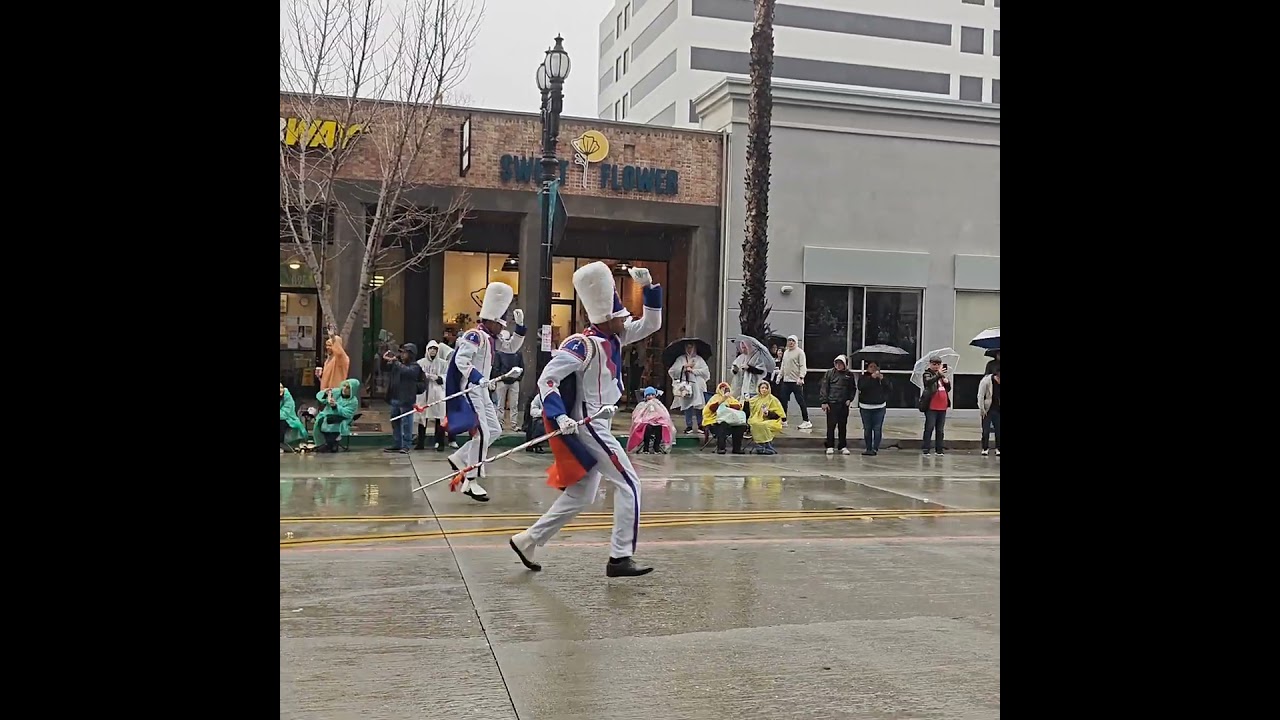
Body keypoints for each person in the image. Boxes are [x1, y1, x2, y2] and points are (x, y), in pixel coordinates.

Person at [509, 261, 662, 578]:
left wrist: (649, 289)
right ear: (608, 318)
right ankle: (620, 558)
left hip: (598, 421)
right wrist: (559, 414)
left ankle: (528, 540)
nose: (626, 319)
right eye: (621, 315)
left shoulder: (616, 338)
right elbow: (547, 380)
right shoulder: (582, 344)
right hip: (587, 422)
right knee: (630, 484)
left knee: (583, 493)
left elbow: (652, 324)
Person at [445, 282, 526, 502]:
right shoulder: (474, 336)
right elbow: (462, 360)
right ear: (490, 320)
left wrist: (520, 328)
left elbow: (511, 348)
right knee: (482, 434)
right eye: (500, 323)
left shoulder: (492, 338)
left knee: (495, 429)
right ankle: (470, 481)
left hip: (482, 389)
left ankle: (460, 457)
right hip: (471, 389)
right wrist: (478, 378)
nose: (503, 327)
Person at [380, 343, 425, 454]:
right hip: (395, 397)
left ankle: (406, 445)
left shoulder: (415, 366)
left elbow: (407, 372)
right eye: (401, 352)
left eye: (404, 352)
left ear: (410, 354)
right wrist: (384, 359)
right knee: (395, 422)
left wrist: (395, 362)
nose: (402, 355)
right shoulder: (397, 364)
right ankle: (397, 444)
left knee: (406, 423)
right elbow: (385, 368)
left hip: (407, 399)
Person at [668, 342, 710, 434]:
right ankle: (689, 425)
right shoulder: (681, 359)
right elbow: (672, 371)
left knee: (699, 405)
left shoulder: (699, 359)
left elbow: (706, 372)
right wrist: (684, 367)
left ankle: (700, 424)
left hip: (698, 386)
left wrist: (694, 370)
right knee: (687, 405)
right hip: (686, 385)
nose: (689, 349)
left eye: (691, 347)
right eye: (688, 347)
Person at [414, 341, 448, 451]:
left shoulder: (443, 363)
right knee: (422, 417)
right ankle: (420, 442)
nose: (433, 351)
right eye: (431, 348)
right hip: (424, 392)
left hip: (437, 392)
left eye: (435, 349)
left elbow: (445, 376)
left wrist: (437, 378)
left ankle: (439, 442)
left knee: (439, 417)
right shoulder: (420, 363)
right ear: (427, 350)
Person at [819, 355, 855, 455]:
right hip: (832, 403)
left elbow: (852, 388)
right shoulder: (829, 373)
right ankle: (830, 445)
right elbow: (824, 387)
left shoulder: (849, 375)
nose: (838, 365)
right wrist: (824, 402)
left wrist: (850, 399)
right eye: (837, 363)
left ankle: (842, 446)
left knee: (842, 426)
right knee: (831, 426)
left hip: (843, 404)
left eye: (841, 363)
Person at [312, 379, 361, 453]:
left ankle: (331, 443)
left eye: (348, 387)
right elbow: (321, 398)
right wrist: (326, 393)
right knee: (320, 422)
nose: (344, 389)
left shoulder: (353, 401)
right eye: (344, 386)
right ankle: (321, 444)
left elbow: (347, 413)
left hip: (341, 418)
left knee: (332, 423)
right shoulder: (336, 392)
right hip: (327, 414)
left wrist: (336, 406)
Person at [918, 356, 951, 457]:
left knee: (940, 430)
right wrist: (938, 375)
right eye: (934, 364)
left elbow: (948, 389)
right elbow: (928, 382)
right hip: (931, 406)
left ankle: (939, 449)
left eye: (938, 364)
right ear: (930, 364)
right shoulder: (927, 374)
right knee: (929, 427)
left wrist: (947, 382)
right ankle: (926, 448)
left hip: (942, 406)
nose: (936, 366)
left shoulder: (941, 376)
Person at [857, 361, 891, 456]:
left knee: (877, 428)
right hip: (865, 407)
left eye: (875, 367)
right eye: (871, 366)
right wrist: (871, 378)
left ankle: (875, 448)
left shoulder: (881, 378)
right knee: (867, 428)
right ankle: (868, 448)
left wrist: (883, 379)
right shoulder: (863, 377)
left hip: (879, 407)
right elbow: (861, 387)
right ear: (867, 368)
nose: (873, 368)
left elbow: (890, 388)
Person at [704, 381, 747, 454]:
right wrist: (722, 400)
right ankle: (721, 448)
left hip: (732, 421)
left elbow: (738, 406)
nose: (724, 389)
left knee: (740, 426)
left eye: (726, 388)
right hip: (716, 421)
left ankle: (737, 448)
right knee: (722, 425)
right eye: (722, 387)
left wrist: (728, 405)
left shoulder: (731, 398)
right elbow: (711, 408)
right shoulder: (715, 398)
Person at [628, 387, 675, 454]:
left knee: (661, 427)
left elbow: (664, 413)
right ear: (645, 396)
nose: (651, 397)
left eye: (652, 395)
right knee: (648, 428)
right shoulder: (642, 404)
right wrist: (643, 419)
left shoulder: (659, 404)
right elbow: (637, 414)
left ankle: (656, 447)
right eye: (649, 395)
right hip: (645, 422)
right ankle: (646, 448)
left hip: (657, 421)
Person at [779, 335, 812, 429]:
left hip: (796, 381)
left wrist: (801, 377)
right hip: (786, 381)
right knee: (783, 401)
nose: (790, 342)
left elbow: (803, 366)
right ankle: (784, 420)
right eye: (789, 340)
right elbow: (783, 366)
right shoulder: (786, 353)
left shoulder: (800, 352)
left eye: (792, 341)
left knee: (800, 401)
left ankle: (806, 421)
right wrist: (779, 376)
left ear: (796, 342)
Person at [493, 333, 523, 431]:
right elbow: (496, 367)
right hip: (503, 381)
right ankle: (500, 424)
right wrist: (499, 378)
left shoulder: (517, 353)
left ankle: (513, 424)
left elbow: (522, 367)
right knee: (501, 404)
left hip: (512, 381)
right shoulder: (500, 353)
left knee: (513, 404)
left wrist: (517, 378)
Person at [748, 380, 786, 454]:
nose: (764, 390)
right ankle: (764, 446)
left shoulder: (773, 399)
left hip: (772, 420)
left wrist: (768, 413)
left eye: (766, 388)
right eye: (762, 388)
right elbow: (747, 409)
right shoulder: (754, 399)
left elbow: (779, 415)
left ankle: (763, 446)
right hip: (756, 419)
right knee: (756, 424)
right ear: (759, 389)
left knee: (763, 425)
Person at [731, 341, 767, 414]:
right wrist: (735, 370)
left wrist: (749, 368)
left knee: (753, 403)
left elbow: (761, 371)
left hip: (753, 385)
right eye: (742, 348)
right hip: (743, 385)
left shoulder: (757, 358)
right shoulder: (741, 357)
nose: (743, 350)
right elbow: (734, 369)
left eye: (745, 348)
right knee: (743, 403)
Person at [978, 369, 1000, 456]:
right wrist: (982, 409)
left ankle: (998, 448)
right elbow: (980, 395)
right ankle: (985, 448)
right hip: (988, 408)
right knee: (986, 430)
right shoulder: (987, 381)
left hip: (998, 409)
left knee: (998, 430)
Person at [280, 383, 307, 452]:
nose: (280, 390)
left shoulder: (287, 396)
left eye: (281, 387)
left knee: (281, 423)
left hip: (288, 418)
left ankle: (281, 443)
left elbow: (286, 412)